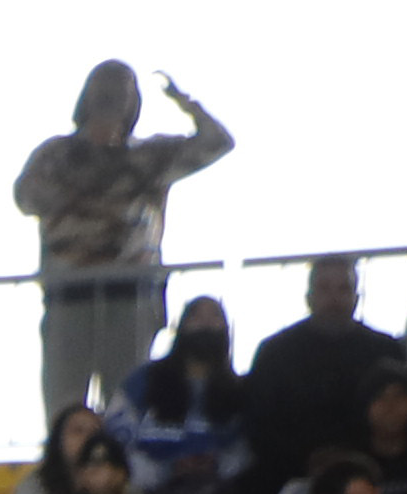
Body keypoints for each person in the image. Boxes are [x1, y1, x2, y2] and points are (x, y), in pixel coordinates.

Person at [14, 66, 239, 420]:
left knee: (129, 406)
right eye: (104, 87)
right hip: (70, 294)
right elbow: (26, 198)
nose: (112, 96)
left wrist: (187, 104)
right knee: (65, 410)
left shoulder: (151, 155)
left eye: (123, 89)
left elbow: (218, 142)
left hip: (130, 295)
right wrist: (96, 196)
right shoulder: (57, 153)